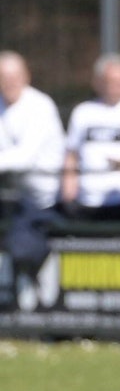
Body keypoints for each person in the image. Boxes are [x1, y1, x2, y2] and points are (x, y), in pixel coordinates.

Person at [0, 50, 66, 306]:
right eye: (3, 77)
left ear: (26, 76)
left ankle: (36, 269)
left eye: (14, 76)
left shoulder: (40, 105)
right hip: (13, 197)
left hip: (45, 202)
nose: (9, 83)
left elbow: (25, 157)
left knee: (24, 246)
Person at [61, 53, 120, 223]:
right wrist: (69, 187)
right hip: (85, 202)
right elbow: (71, 154)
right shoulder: (83, 112)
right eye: (112, 81)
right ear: (98, 82)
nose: (118, 86)